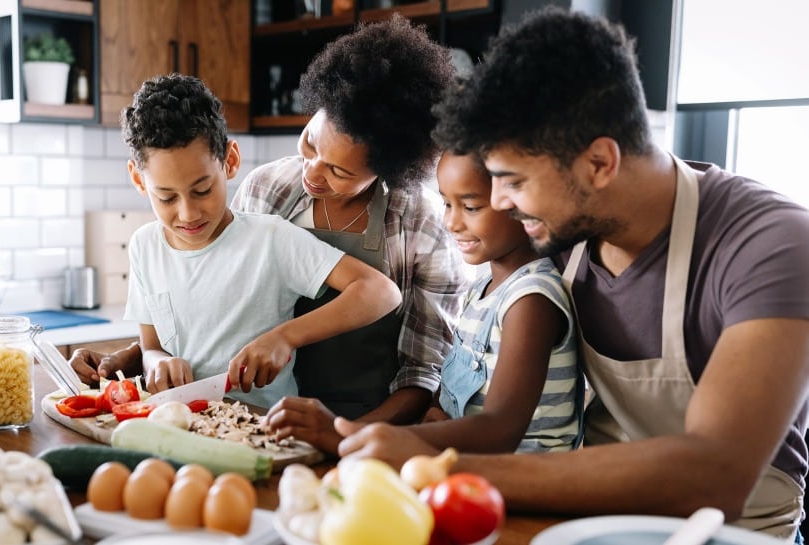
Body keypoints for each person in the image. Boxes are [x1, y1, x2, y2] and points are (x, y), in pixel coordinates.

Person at [336, 6, 809, 541]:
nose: (500, 203)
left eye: (513, 181)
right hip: (591, 523)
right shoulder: (563, 234)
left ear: (600, 164)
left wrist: (440, 465)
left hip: (733, 533)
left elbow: (714, 475)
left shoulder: (774, 243)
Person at [231, 15, 469, 453]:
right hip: (259, 422)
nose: (312, 174)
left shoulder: (421, 222)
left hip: (368, 428)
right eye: (309, 144)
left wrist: (346, 438)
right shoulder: (266, 191)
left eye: (339, 171)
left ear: (389, 169)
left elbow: (423, 372)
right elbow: (224, 310)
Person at [115, 73, 400, 408]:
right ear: (138, 179)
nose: (188, 213)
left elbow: (381, 292)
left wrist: (285, 337)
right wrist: (157, 362)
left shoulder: (271, 239)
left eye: (202, 190)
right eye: (166, 198)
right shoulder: (143, 246)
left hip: (262, 430)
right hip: (178, 423)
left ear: (231, 161)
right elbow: (150, 346)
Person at [404, 150, 582, 453]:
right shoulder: (482, 288)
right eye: (447, 204)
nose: (450, 222)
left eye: (470, 207)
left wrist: (397, 438)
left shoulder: (531, 300)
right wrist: (437, 411)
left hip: (529, 481)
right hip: (473, 462)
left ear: (525, 204)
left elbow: (500, 429)